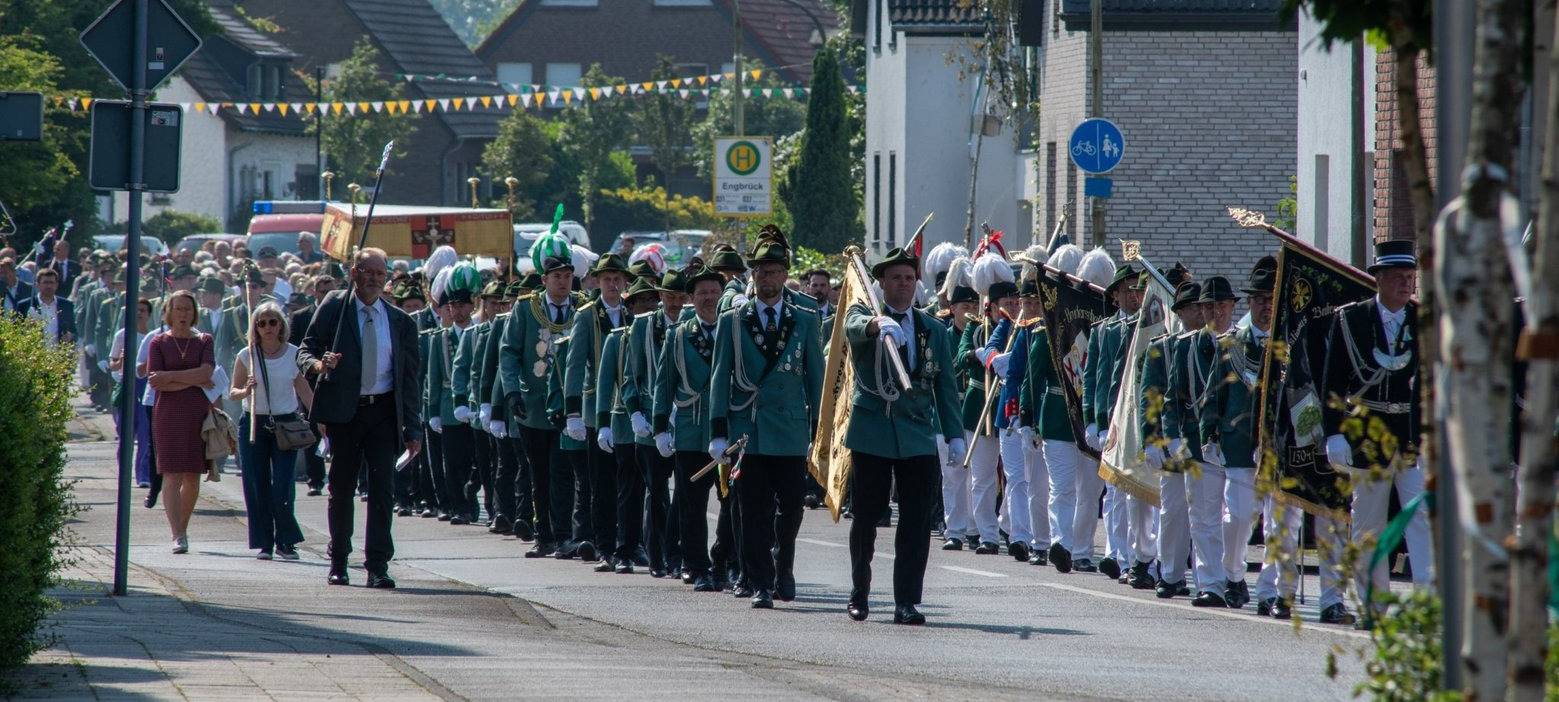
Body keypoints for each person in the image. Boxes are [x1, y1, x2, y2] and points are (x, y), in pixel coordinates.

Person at [841, 247, 962, 625]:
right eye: (895, 278)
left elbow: (944, 386)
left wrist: (954, 435)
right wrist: (877, 327)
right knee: (866, 518)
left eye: (909, 278)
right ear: (881, 283)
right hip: (873, 431)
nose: (904, 284)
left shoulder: (933, 329)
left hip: (916, 434)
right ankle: (860, 591)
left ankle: (906, 600)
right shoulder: (867, 314)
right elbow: (851, 326)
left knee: (915, 520)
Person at [707, 225, 823, 609]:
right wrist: (718, 432)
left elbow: (815, 380)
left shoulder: (804, 319)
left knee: (791, 506)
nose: (765, 277)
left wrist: (818, 434)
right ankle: (759, 581)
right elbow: (720, 378)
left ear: (785, 274)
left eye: (773, 271)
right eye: (759, 271)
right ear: (752, 276)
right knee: (751, 509)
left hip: (789, 429)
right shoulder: (733, 320)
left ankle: (783, 564)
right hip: (749, 430)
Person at [297, 248, 423, 589]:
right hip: (344, 412)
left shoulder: (400, 321)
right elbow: (304, 351)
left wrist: (412, 426)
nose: (373, 279)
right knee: (341, 488)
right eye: (367, 271)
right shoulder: (336, 306)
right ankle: (338, 560)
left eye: (380, 274)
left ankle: (378, 565)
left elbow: (409, 380)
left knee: (383, 489)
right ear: (354, 272)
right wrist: (320, 366)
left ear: (387, 279)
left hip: (383, 412)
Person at [1322, 240, 1430, 627]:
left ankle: (1427, 604)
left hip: (1410, 434)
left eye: (1410, 277)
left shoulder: (1422, 322)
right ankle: (1372, 606)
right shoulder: (1351, 320)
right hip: (1367, 433)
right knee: (1368, 523)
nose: (1406, 284)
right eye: (1399, 277)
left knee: (1420, 518)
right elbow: (1333, 381)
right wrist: (1334, 433)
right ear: (1379, 279)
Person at [653, 264, 736, 592]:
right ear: (691, 298)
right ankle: (696, 565)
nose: (709, 298)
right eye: (702, 292)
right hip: (690, 427)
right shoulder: (678, 334)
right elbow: (665, 383)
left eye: (715, 291)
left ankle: (726, 561)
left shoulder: (734, 330)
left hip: (727, 429)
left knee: (733, 501)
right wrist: (660, 427)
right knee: (691, 503)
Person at [499, 245, 581, 558]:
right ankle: (542, 534)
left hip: (569, 407)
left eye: (568, 275)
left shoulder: (582, 306)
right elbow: (509, 352)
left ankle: (564, 535)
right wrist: (511, 392)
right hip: (533, 406)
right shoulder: (525, 308)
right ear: (544, 279)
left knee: (564, 472)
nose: (563, 281)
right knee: (539, 473)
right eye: (557, 276)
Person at [563, 253, 634, 563]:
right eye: (607, 279)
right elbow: (575, 364)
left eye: (618, 279)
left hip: (630, 408)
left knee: (630, 481)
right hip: (597, 406)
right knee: (602, 482)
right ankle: (605, 545)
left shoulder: (634, 312)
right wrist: (573, 411)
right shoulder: (588, 315)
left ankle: (631, 542)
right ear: (597, 282)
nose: (613, 284)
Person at [229, 302, 313, 560]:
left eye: (272, 322)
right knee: (257, 484)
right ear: (255, 327)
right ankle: (265, 542)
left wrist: (321, 420)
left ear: (281, 325)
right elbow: (233, 392)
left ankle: (286, 541)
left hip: (285, 424)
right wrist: (246, 390)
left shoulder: (293, 353)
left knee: (283, 485)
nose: (267, 327)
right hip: (254, 421)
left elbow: (304, 391)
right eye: (261, 323)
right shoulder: (247, 355)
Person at [621, 271, 688, 579]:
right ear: (660, 297)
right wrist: (634, 412)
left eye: (679, 296)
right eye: (669, 296)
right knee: (657, 493)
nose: (674, 302)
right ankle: (657, 556)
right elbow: (630, 377)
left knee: (685, 495)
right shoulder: (643, 327)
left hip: (686, 421)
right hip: (650, 422)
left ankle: (678, 554)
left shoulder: (692, 325)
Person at [146, 291, 216, 554]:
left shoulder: (204, 340)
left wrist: (172, 377)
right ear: (169, 311)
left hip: (197, 413)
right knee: (171, 474)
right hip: (167, 414)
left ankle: (183, 528)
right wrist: (192, 378)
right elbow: (155, 381)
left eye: (188, 309)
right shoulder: (158, 342)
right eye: (179, 309)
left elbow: (207, 372)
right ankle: (176, 533)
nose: (183, 314)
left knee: (193, 475)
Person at [19, 267, 76, 347]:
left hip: (59, 355)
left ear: (56, 285)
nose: (49, 286)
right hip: (35, 355)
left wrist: (70, 336)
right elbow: (17, 331)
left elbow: (74, 330)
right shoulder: (25, 306)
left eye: (52, 282)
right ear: (37, 285)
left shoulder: (66, 305)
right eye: (45, 282)